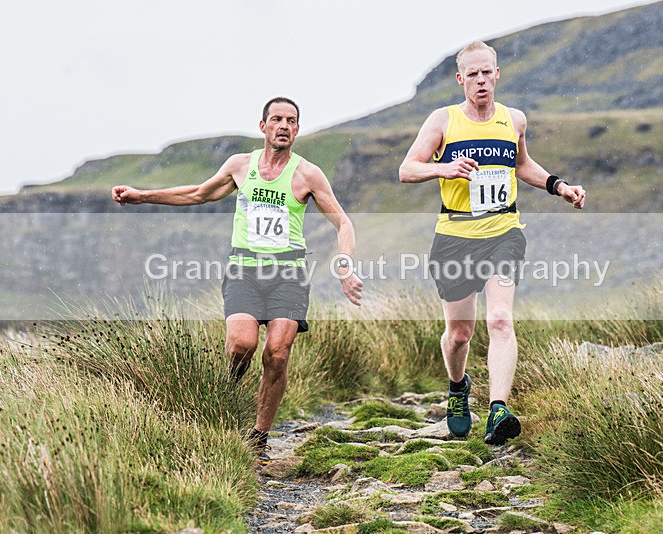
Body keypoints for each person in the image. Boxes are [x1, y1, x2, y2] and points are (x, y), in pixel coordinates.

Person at [112, 97, 363, 457]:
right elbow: (200, 193)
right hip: (244, 269)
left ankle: (259, 435)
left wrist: (345, 265)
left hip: (288, 273)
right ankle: (225, 400)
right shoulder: (241, 166)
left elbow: (343, 221)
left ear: (297, 129)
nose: (284, 126)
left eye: (291, 121)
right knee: (241, 345)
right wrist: (143, 196)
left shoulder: (307, 173)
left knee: (277, 353)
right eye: (277, 119)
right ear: (263, 127)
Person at [399, 42, 586, 445]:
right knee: (460, 334)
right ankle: (457, 387)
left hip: (504, 232)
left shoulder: (513, 119)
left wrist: (559, 186)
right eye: (473, 74)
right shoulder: (443, 120)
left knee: (500, 319)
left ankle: (498, 408)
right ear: (460, 79)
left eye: (487, 73)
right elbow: (407, 169)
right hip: (454, 237)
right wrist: (445, 168)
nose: (481, 80)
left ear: (497, 74)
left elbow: (522, 165)